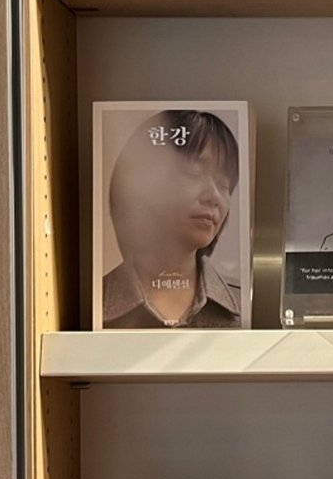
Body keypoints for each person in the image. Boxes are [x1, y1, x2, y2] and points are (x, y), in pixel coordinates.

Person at [101, 109, 243, 328]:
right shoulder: (97, 303)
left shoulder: (242, 308)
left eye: (224, 184)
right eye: (194, 173)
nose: (214, 196)